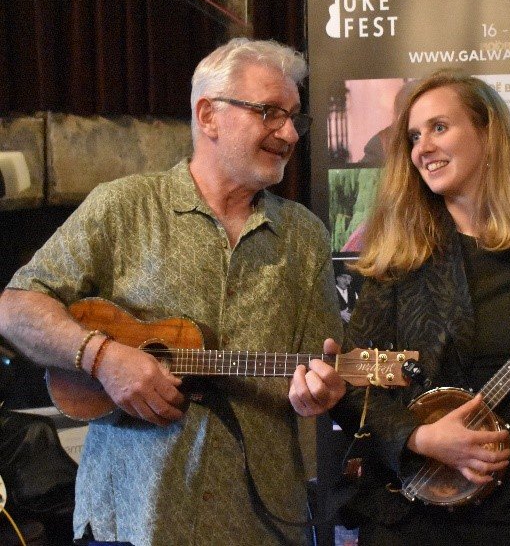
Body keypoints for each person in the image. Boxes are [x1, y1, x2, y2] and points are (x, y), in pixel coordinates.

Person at [0, 38, 347, 546]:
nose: (290, 133)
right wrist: (103, 358)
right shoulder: (122, 207)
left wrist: (324, 391)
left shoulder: (306, 235)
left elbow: (319, 365)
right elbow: (13, 307)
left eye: (296, 118)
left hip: (261, 520)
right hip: (133, 517)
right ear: (208, 115)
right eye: (271, 113)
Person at [327, 69, 510, 545]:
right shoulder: (398, 254)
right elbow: (352, 385)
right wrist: (418, 438)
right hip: (418, 512)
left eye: (439, 127)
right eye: (414, 136)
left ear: (488, 133)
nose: (423, 147)